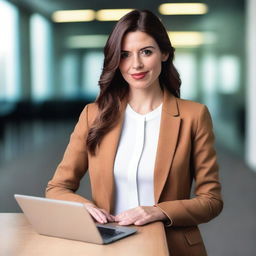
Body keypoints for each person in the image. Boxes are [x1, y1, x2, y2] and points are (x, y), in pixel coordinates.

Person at [46, 9, 223, 255]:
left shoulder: (194, 115)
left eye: (146, 52)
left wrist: (159, 211)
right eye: (125, 55)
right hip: (109, 244)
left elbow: (211, 201)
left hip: (171, 246)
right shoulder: (93, 114)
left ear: (165, 53)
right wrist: (83, 207)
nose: (135, 64)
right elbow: (57, 188)